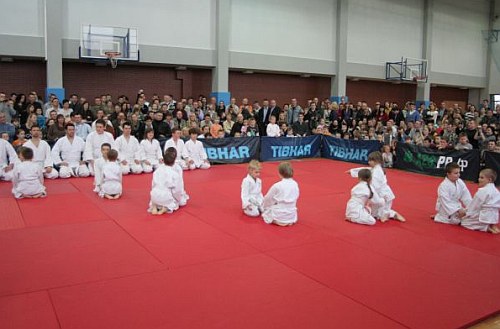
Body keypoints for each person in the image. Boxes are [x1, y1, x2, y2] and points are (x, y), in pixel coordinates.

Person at [348, 151, 405, 222]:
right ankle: (388, 214)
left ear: (376, 161)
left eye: (370, 161)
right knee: (375, 214)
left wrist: (370, 196)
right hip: (381, 194)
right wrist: (352, 171)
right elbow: (365, 170)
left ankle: (392, 214)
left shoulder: (377, 171)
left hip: (383, 195)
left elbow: (374, 186)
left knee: (379, 213)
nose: (368, 162)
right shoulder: (376, 168)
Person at [461, 169, 500, 233]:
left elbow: (474, 206)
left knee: (464, 222)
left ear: (489, 180)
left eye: (482, 178)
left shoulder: (482, 191)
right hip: (494, 217)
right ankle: (491, 225)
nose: (479, 180)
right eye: (479, 177)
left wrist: (465, 213)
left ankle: (486, 228)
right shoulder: (496, 191)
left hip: (483, 217)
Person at [261, 162, 299, 226]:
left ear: (280, 173)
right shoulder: (295, 184)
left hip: (279, 214)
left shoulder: (277, 185)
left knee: (265, 211)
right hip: (291, 214)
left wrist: (264, 207)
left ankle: (279, 221)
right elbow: (296, 197)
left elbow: (267, 199)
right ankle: (286, 220)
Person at [148, 147, 184, 215]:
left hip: (154, 194)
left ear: (163, 160)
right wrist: (178, 199)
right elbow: (177, 191)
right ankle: (165, 208)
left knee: (157, 197)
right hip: (166, 196)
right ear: (174, 161)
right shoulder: (174, 174)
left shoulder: (157, 170)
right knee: (178, 202)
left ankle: (154, 206)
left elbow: (153, 185)